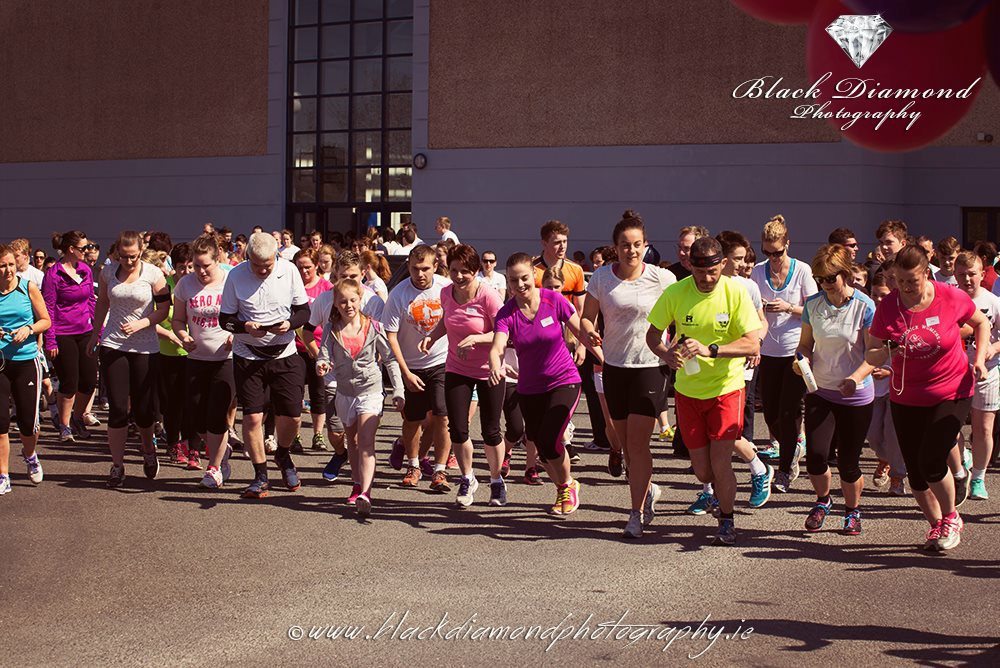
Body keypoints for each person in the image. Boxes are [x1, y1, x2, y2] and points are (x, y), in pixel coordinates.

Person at [866, 245, 991, 551]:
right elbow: (871, 351)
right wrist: (889, 350)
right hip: (906, 394)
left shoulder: (949, 295)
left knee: (931, 459)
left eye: (913, 281)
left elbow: (981, 322)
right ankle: (936, 525)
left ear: (926, 273)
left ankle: (951, 517)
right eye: (900, 281)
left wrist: (981, 357)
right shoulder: (889, 307)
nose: (906, 287)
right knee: (916, 472)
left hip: (952, 389)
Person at [646, 237, 763, 545]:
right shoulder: (676, 292)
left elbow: (752, 342)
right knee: (702, 471)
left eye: (713, 272)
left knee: (721, 462)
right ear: (691, 267)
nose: (707, 279)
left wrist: (712, 350)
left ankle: (727, 520)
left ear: (722, 264)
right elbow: (652, 335)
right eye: (701, 273)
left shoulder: (735, 292)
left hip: (727, 389)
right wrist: (666, 355)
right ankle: (716, 497)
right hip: (687, 391)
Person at [580, 210, 676, 538]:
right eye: (625, 245)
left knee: (637, 444)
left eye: (637, 245)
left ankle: (634, 514)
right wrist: (589, 331)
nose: (631, 251)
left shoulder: (663, 279)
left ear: (645, 245)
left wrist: (675, 348)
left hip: (651, 368)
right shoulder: (602, 278)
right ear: (615, 247)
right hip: (614, 367)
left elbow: (679, 319)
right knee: (621, 442)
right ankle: (647, 489)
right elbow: (586, 317)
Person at [489, 252, 597, 516]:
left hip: (564, 379)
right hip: (530, 388)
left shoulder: (553, 299)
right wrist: (496, 364)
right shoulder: (507, 313)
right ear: (508, 282)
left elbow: (580, 329)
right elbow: (498, 345)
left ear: (533, 277)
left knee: (550, 439)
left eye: (525, 278)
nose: (520, 285)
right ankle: (565, 486)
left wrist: (599, 355)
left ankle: (567, 486)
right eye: (514, 281)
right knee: (540, 445)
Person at [220, 232, 311, 499]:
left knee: (293, 415)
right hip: (248, 354)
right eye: (256, 264)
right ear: (247, 256)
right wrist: (243, 326)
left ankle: (283, 454)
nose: (261, 270)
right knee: (252, 417)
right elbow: (224, 319)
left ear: (276, 257)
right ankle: (260, 475)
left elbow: (303, 311)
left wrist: (290, 324)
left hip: (285, 352)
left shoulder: (290, 270)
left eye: (267, 265)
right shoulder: (235, 276)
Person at [795, 244, 876, 535]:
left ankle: (853, 511)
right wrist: (800, 358)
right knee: (816, 456)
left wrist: (855, 377)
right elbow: (805, 344)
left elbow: (874, 354)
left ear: (845, 275)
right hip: (820, 390)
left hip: (855, 395)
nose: (825, 284)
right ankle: (823, 501)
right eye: (820, 279)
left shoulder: (865, 306)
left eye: (830, 278)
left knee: (849, 461)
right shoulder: (813, 305)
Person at [419, 244, 506, 506]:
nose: (458, 276)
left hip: (489, 369)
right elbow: (447, 320)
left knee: (491, 431)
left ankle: (496, 480)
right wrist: (431, 338)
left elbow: (504, 331)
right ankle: (468, 478)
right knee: (457, 429)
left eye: (465, 272)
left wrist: (476, 338)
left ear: (476, 271)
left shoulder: (488, 296)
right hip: (457, 368)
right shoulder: (446, 293)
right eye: (454, 270)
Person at [87, 230, 171, 487]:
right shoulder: (108, 272)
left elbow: (164, 309)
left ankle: (148, 450)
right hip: (113, 345)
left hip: (145, 348)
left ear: (141, 252)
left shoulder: (153, 275)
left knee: (144, 412)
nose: (129, 261)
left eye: (133, 256)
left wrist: (143, 323)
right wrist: (94, 335)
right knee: (118, 410)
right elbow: (102, 303)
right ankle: (117, 466)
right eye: (124, 257)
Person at [316, 279, 403, 517]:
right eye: (342, 301)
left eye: (353, 300)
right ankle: (356, 483)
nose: (348, 305)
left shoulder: (374, 327)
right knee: (352, 442)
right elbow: (323, 355)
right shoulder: (331, 329)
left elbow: (390, 359)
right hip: (345, 393)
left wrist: (398, 390)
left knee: (365, 441)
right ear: (335, 302)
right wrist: (322, 364)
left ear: (360, 299)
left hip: (371, 391)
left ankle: (366, 492)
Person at [302, 251, 385, 482]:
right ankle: (342, 454)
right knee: (336, 432)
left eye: (354, 275)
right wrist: (321, 357)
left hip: (366, 381)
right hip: (334, 381)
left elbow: (384, 339)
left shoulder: (372, 301)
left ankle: (361, 485)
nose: (349, 280)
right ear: (334, 276)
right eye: (343, 276)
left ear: (363, 274)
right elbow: (307, 332)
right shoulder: (325, 300)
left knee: (363, 438)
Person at [750, 215, 816, 493]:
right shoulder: (757, 271)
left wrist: (788, 307)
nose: (773, 258)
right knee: (771, 415)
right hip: (768, 351)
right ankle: (792, 446)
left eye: (777, 252)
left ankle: (786, 468)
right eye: (767, 252)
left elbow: (813, 310)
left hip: (794, 350)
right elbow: (750, 307)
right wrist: (762, 308)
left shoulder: (802, 270)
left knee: (788, 413)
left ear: (788, 244)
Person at [383, 245, 451, 490]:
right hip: (411, 365)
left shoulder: (445, 287)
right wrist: (405, 373)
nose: (419, 274)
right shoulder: (398, 294)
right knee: (413, 420)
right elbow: (391, 336)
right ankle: (413, 464)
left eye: (425, 269)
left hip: (441, 361)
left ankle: (440, 470)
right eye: (414, 269)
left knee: (442, 417)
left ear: (435, 267)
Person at [172, 234, 235, 488]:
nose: (200, 271)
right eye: (196, 265)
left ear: (217, 258)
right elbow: (177, 319)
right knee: (197, 418)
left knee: (217, 414)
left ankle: (214, 468)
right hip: (196, 358)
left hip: (225, 358)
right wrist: (183, 334)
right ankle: (223, 451)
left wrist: (234, 334)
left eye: (205, 265)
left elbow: (244, 313)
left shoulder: (231, 281)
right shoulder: (186, 285)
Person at [0, 243, 51, 495]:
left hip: (25, 360)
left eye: (11, 264)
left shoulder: (27, 287)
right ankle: (3, 474)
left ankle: (30, 455)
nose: (8, 270)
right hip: (0, 362)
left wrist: (29, 329)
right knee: (0, 422)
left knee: (27, 422)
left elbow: (45, 320)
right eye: (2, 265)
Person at [43, 231, 99, 442]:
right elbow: (47, 308)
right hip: (63, 333)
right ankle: (64, 425)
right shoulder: (54, 275)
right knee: (69, 382)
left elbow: (91, 302)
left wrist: (97, 331)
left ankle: (77, 417)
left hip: (85, 331)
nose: (88, 251)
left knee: (89, 380)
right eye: (84, 248)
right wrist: (50, 339)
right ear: (71, 250)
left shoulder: (85, 270)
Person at [953, 251, 1000, 500]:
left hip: (987, 372)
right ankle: (962, 462)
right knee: (952, 427)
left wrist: (993, 347)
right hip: (954, 371)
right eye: (962, 275)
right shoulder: (949, 299)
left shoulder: (994, 302)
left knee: (983, 429)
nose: (967, 279)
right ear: (955, 276)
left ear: (983, 274)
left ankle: (979, 477)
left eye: (972, 274)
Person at [151, 245, 199, 468]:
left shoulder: (200, 286)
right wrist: (171, 335)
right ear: (174, 267)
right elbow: (151, 320)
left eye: (191, 266)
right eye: (181, 267)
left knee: (193, 402)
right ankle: (173, 443)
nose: (186, 272)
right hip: (168, 352)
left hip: (196, 353)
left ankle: (193, 447)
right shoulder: (164, 288)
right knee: (173, 403)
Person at [866, 272, 908, 497]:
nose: (878, 299)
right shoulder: (868, 314)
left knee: (892, 435)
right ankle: (887, 459)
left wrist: (890, 371)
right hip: (872, 386)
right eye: (874, 294)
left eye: (883, 295)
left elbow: (907, 353)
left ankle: (898, 476)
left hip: (896, 386)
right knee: (873, 435)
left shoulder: (899, 316)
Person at [293, 248, 333, 452]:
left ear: (316, 265)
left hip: (319, 347)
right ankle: (295, 436)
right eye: (299, 267)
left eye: (308, 267)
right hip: (296, 347)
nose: (304, 271)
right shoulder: (293, 287)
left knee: (318, 393)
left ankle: (318, 435)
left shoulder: (326, 287)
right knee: (295, 393)